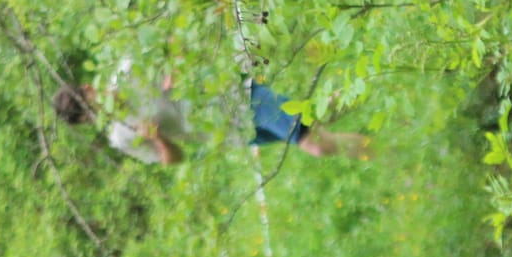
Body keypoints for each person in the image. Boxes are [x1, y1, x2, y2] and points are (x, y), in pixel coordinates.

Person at [52, 62, 371, 165]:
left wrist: (172, 71)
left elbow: (176, 51)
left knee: (312, 142)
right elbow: (174, 159)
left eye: (88, 104)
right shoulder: (120, 135)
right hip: (230, 132)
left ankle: (379, 133)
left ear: (88, 90)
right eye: (88, 117)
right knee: (313, 128)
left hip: (235, 98)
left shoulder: (127, 71)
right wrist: (159, 139)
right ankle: (369, 93)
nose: (95, 112)